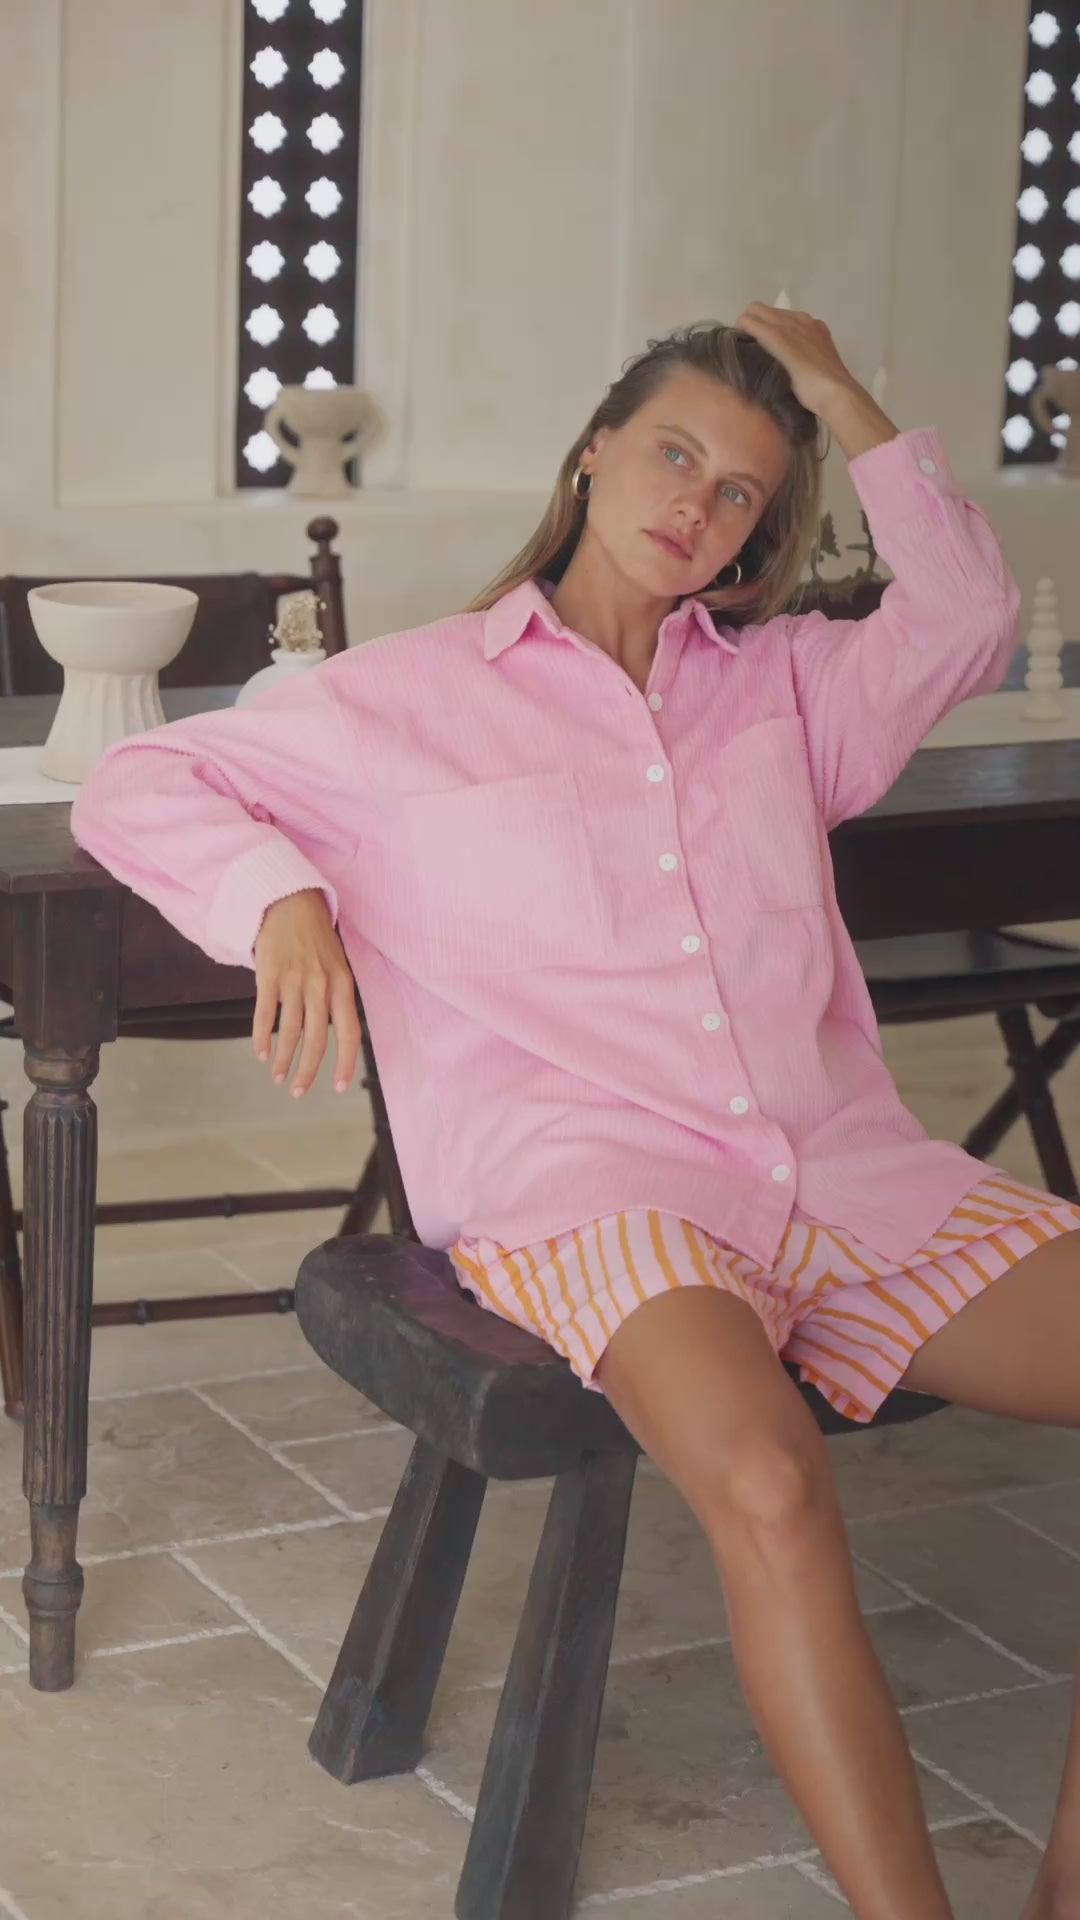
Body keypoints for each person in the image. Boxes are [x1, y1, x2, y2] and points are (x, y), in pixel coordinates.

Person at [72, 307, 1080, 1919]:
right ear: (594, 448)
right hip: (598, 1192)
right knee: (762, 1482)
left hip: (844, 1170)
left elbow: (959, 610)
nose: (698, 502)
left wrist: (831, 391)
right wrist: (283, 897)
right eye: (675, 451)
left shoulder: (791, 693)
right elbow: (137, 785)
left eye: (745, 490)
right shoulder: (399, 702)